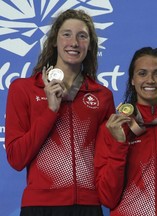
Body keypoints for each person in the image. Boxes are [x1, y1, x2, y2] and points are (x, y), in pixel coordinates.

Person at [5, 9, 115, 216]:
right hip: (39, 206)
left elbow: (106, 159)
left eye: (82, 36)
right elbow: (16, 158)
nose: (74, 42)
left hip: (88, 206)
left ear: (89, 45)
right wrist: (50, 111)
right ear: (54, 41)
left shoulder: (102, 96)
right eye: (66, 34)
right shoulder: (24, 89)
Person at [94, 47, 157, 216]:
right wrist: (119, 145)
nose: (150, 80)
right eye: (142, 73)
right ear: (132, 79)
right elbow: (107, 199)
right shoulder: (112, 128)